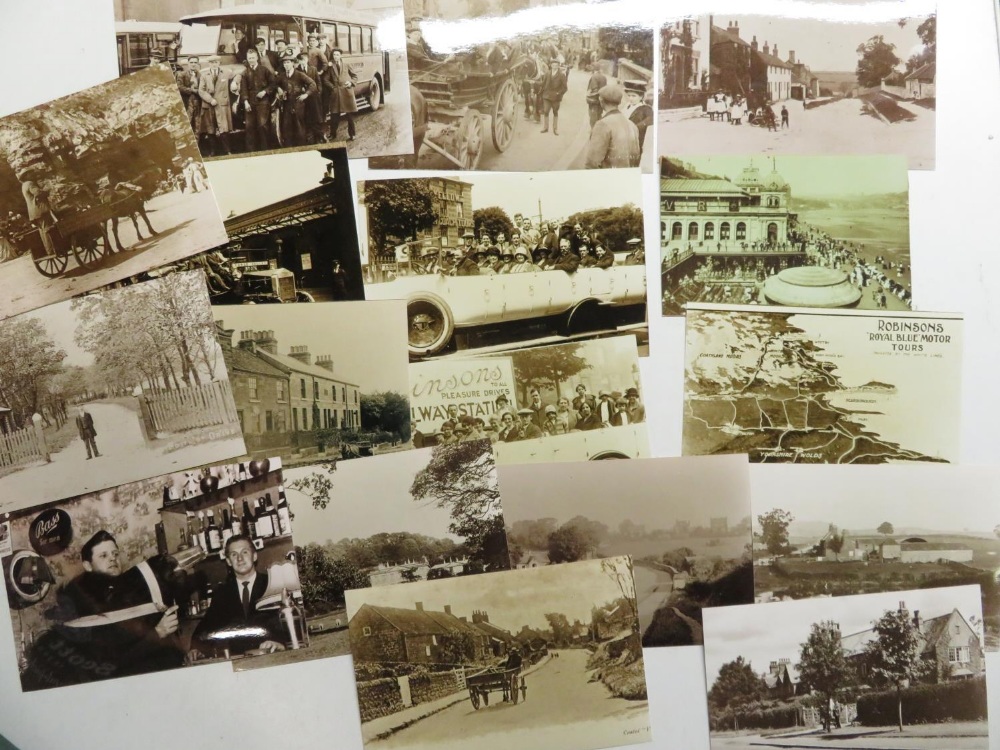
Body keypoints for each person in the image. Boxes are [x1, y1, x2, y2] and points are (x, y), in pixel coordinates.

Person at [38, 531, 184, 686]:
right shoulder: (83, 607)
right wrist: (158, 632)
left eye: (115, 554)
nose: (113, 559)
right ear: (88, 566)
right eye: (103, 556)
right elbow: (110, 662)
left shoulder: (134, 593)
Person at [190, 536, 287, 659]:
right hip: (239, 661)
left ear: (255, 556)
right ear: (229, 561)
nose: (240, 558)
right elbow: (206, 626)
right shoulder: (223, 593)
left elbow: (289, 619)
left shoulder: (273, 583)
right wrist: (196, 648)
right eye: (234, 554)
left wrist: (280, 643)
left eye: (244, 552)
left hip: (273, 655)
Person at [584, 84, 640, 169]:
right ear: (619, 102)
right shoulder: (632, 125)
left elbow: (592, 162)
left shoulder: (602, 124)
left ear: (601, 100)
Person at [276, 53, 317, 148]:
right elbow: (274, 84)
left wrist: (306, 95)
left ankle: (302, 147)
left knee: (299, 126)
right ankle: (289, 149)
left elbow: (313, 84)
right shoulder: (282, 76)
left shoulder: (299, 75)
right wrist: (278, 88)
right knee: (287, 127)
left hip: (298, 104)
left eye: (288, 62)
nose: (286, 65)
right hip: (287, 105)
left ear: (293, 64)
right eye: (284, 63)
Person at [240, 48, 276, 152]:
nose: (251, 60)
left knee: (262, 126)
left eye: (253, 57)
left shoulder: (264, 70)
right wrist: (246, 102)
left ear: (257, 58)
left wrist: (265, 92)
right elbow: (243, 89)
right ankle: (251, 151)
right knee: (249, 127)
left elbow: (273, 84)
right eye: (249, 58)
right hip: (250, 102)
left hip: (263, 102)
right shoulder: (245, 72)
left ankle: (265, 149)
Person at [197, 56, 234, 156]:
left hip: (221, 105)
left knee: (224, 128)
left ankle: (227, 150)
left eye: (216, 62)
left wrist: (236, 81)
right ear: (209, 64)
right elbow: (201, 90)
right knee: (210, 129)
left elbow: (238, 75)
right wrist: (210, 99)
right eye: (212, 62)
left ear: (219, 63)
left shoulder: (226, 73)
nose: (214, 64)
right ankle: (213, 151)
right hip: (209, 105)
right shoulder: (204, 75)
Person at [324, 48, 359, 141]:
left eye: (337, 55)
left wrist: (351, 83)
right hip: (336, 94)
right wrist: (332, 87)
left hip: (347, 92)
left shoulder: (346, 64)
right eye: (334, 55)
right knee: (334, 115)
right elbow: (325, 79)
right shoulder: (330, 66)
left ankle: (352, 134)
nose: (336, 56)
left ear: (341, 55)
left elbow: (355, 76)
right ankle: (333, 134)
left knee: (350, 116)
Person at [21, 177, 55, 256]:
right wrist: (47, 189)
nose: (32, 174)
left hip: (34, 213)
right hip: (40, 210)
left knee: (42, 231)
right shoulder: (30, 183)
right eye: (30, 173)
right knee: (46, 230)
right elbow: (38, 193)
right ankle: (51, 250)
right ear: (26, 175)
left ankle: (48, 250)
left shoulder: (24, 185)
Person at [539, 55, 567, 135]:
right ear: (551, 65)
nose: (554, 66)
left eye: (556, 65)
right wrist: (535, 83)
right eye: (553, 65)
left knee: (555, 112)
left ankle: (555, 129)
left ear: (558, 66)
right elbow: (543, 84)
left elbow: (565, 88)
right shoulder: (547, 73)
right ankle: (545, 127)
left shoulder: (562, 75)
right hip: (547, 96)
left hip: (556, 97)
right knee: (546, 111)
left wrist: (559, 93)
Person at [175, 57, 202, 133]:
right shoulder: (182, 74)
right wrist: (191, 90)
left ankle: (197, 142)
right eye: (191, 62)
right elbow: (179, 87)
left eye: (195, 62)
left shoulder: (200, 75)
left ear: (197, 64)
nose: (193, 64)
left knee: (197, 123)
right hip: (187, 101)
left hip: (198, 102)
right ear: (188, 63)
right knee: (187, 122)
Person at [585, 63, 608, 130]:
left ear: (594, 68)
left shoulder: (594, 77)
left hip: (594, 101)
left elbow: (595, 90)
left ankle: (594, 132)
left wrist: (588, 95)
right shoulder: (603, 77)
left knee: (593, 118)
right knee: (599, 115)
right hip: (601, 100)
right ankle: (599, 131)